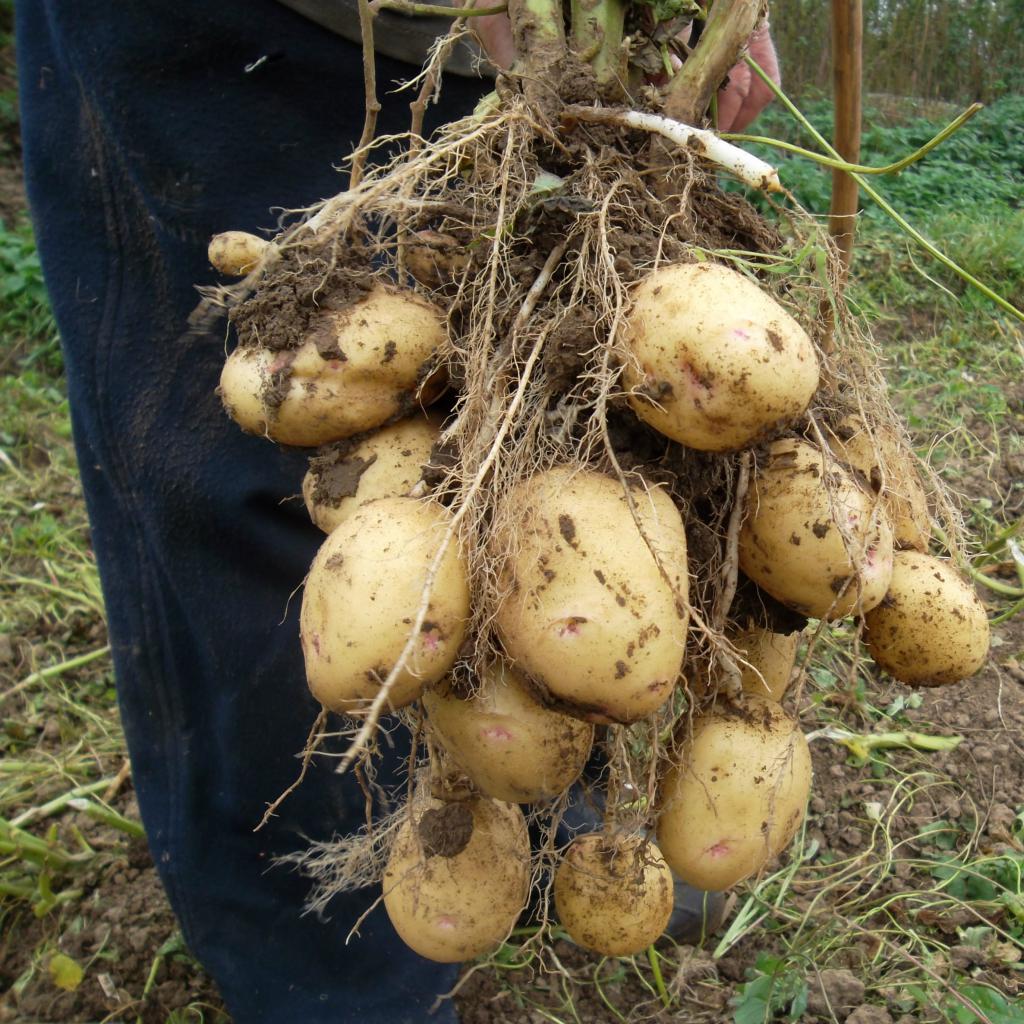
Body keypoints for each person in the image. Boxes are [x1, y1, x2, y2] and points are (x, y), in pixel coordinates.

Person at [15, 3, 777, 1021]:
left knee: (509, 401)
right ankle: (323, 967)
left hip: (447, 44)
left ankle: (538, 787)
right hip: (220, 31)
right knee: (252, 470)